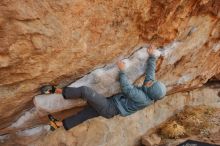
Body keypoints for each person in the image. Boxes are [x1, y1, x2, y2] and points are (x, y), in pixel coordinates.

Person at [44, 45, 167, 131]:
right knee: (84, 115)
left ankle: (55, 90)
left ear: (151, 91)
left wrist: (122, 71)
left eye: (151, 84)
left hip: (110, 107)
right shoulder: (149, 89)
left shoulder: (142, 98)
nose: (150, 82)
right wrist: (152, 56)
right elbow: (151, 74)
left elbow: (127, 88)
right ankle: (56, 124)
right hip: (111, 106)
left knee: (85, 91)